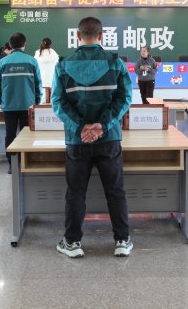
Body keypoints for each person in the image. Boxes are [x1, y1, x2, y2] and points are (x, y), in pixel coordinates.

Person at [51, 17, 133, 258]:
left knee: (75, 193)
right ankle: (122, 240)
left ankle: (72, 242)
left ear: (78, 36)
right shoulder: (115, 63)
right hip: (109, 139)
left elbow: (58, 103)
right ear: (101, 35)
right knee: (115, 191)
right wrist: (102, 125)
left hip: (77, 141)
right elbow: (124, 99)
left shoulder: (63, 65)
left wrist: (80, 128)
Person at [0, 32, 42, 172]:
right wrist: (36, 102)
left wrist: (2, 102)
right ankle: (25, 163)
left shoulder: (2, 62)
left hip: (8, 106)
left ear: (10, 45)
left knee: (10, 134)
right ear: (24, 44)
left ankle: (12, 164)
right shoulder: (31, 61)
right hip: (28, 106)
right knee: (26, 135)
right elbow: (38, 84)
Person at [34, 37, 59, 102]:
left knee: (41, 103)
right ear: (50, 44)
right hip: (52, 82)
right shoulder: (54, 54)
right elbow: (57, 66)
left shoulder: (37, 53)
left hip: (40, 82)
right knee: (52, 102)